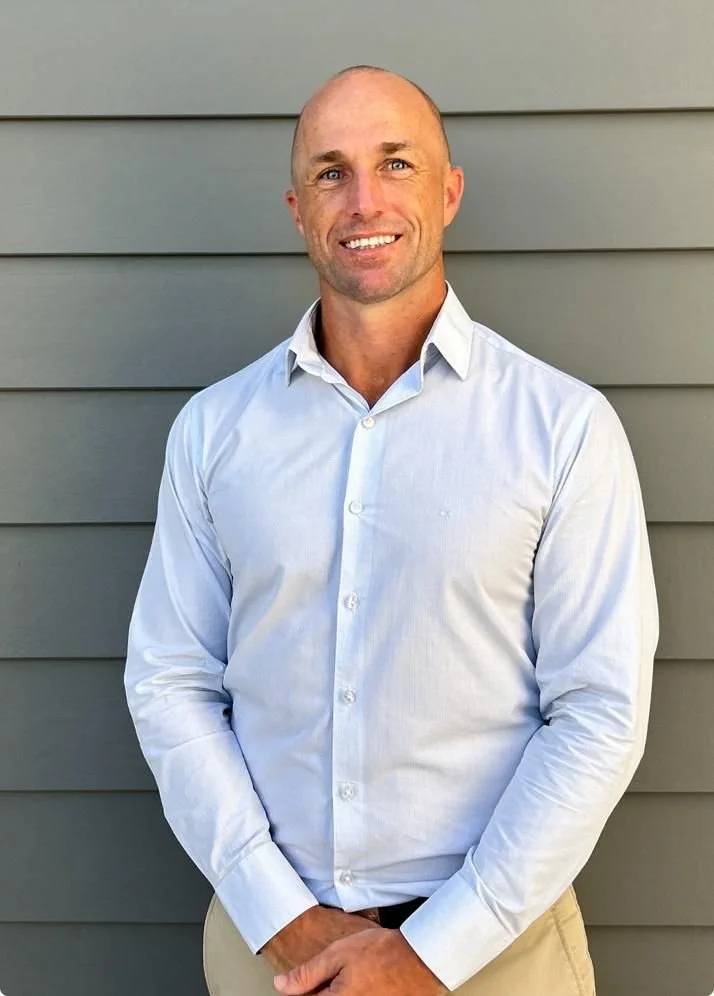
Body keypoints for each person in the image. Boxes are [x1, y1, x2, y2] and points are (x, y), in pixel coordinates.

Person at [124, 65, 658, 996]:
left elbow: (600, 714)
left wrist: (429, 951)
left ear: (448, 192)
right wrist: (283, 918)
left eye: (396, 163)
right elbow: (168, 682)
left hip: (499, 953)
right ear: (297, 208)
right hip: (269, 952)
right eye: (331, 172)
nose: (364, 198)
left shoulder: (563, 429)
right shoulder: (215, 433)